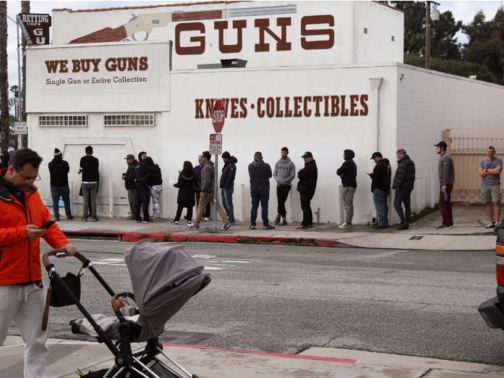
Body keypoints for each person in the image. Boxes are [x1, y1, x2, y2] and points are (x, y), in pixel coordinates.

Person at [0, 148, 76, 378]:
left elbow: (47, 224)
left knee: (37, 341)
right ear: (11, 169)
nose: (30, 182)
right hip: (4, 281)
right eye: (26, 178)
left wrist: (62, 243)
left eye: (34, 177)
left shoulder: (32, 193)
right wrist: (20, 233)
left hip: (33, 280)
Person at [192, 151, 231, 230]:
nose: (201, 158)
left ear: (205, 158)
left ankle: (196, 224)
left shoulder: (206, 167)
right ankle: (226, 223)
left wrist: (202, 190)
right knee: (219, 207)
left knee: (200, 207)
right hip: (213, 191)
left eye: (202, 157)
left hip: (207, 191)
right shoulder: (212, 166)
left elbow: (207, 181)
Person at [249, 151, 274, 230]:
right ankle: (265, 224)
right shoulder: (266, 166)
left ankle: (252, 224)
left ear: (254, 158)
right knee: (264, 207)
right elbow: (270, 175)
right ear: (262, 157)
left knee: (254, 207)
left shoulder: (250, 166)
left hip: (254, 190)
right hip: (264, 190)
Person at [479, 145, 503, 228]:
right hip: (485, 185)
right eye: (489, 151)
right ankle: (491, 221)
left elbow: (498, 171)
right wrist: (493, 170)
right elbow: (480, 173)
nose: (490, 153)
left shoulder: (499, 160)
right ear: (486, 152)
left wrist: (486, 170)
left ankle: (497, 221)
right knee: (488, 203)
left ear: (494, 152)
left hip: (495, 184)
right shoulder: (482, 161)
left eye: (492, 151)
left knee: (496, 202)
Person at [392, 149, 415, 230]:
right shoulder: (410, 161)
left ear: (402, 155)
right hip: (408, 187)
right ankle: (407, 222)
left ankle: (403, 221)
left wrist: (397, 185)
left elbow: (401, 176)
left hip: (402, 187)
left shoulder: (403, 163)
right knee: (407, 205)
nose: (397, 157)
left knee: (396, 203)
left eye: (398, 155)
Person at [48, 148, 73, 221]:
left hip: (53, 185)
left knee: (55, 201)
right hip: (64, 184)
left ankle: (56, 216)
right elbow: (67, 170)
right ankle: (68, 214)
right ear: (61, 155)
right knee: (66, 200)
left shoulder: (50, 164)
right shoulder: (64, 163)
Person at [435, 141, 455, 230]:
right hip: (446, 184)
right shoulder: (444, 157)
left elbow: (446, 172)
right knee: (446, 203)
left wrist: (444, 185)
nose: (436, 149)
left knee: (442, 203)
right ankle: (449, 222)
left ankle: (446, 223)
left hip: (445, 185)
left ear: (442, 148)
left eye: (437, 147)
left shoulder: (446, 157)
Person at [273, 147, 295, 226]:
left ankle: (281, 217)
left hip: (286, 185)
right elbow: (274, 174)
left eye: (284, 153)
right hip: (279, 185)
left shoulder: (291, 164)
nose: (283, 154)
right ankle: (281, 217)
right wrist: (278, 180)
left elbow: (292, 176)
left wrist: (284, 181)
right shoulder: (277, 163)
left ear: (287, 153)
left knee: (281, 201)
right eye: (282, 153)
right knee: (280, 201)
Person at [296, 151, 318, 229]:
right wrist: (302, 175)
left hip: (306, 189)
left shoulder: (310, 166)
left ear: (311, 157)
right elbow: (300, 174)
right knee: (307, 206)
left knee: (305, 207)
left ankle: (304, 224)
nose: (305, 159)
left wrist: (302, 174)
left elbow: (299, 174)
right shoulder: (309, 166)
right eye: (304, 158)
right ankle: (309, 222)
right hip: (307, 189)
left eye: (306, 157)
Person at [369, 152, 391, 229]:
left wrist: (371, 175)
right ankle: (384, 222)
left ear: (377, 157)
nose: (374, 160)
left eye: (374, 159)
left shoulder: (380, 165)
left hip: (379, 188)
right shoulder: (387, 164)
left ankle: (382, 223)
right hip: (385, 188)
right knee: (384, 205)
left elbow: (376, 176)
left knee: (380, 206)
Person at [172, 161, 198, 227]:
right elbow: (196, 183)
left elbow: (180, 184)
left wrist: (175, 185)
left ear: (184, 166)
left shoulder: (182, 174)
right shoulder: (194, 173)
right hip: (191, 192)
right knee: (190, 207)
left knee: (180, 207)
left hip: (183, 192)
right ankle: (189, 220)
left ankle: (176, 220)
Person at [134, 152, 157, 224]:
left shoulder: (137, 165)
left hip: (137, 185)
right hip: (143, 185)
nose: (145, 158)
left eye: (146, 156)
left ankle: (137, 218)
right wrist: (156, 166)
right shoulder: (143, 164)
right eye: (144, 156)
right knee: (145, 202)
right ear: (140, 157)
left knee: (138, 202)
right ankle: (145, 218)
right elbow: (153, 169)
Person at [336, 149, 357, 229]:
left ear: (347, 154)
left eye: (344, 154)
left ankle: (348, 222)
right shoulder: (352, 163)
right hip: (351, 186)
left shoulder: (347, 162)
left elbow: (338, 171)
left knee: (347, 205)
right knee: (350, 205)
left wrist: (342, 174)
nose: (343, 155)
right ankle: (349, 222)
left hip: (348, 186)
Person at [78, 146, 99, 222]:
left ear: (85, 152)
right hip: (94, 181)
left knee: (85, 200)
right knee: (93, 200)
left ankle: (85, 217)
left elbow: (81, 168)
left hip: (85, 182)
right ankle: (94, 217)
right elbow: (96, 169)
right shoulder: (96, 160)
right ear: (92, 152)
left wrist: (79, 171)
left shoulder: (82, 159)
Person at [220, 151, 237, 226]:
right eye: (223, 158)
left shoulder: (232, 165)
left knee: (228, 203)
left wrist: (226, 185)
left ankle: (231, 219)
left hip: (228, 187)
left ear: (228, 158)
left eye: (225, 158)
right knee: (224, 203)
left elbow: (231, 177)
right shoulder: (227, 164)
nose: (223, 159)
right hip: (224, 187)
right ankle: (229, 217)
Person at [195, 155, 211, 222]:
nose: (200, 161)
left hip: (205, 187)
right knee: (199, 202)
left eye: (201, 159)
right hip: (198, 188)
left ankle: (207, 216)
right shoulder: (196, 168)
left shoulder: (206, 167)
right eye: (199, 160)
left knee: (207, 202)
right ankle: (201, 215)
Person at [122, 154, 137, 220]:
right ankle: (134, 214)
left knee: (132, 202)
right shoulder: (133, 166)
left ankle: (133, 215)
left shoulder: (132, 167)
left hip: (132, 187)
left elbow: (131, 177)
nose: (127, 161)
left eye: (128, 159)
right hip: (133, 187)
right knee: (133, 201)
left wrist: (125, 177)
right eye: (126, 159)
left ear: (132, 159)